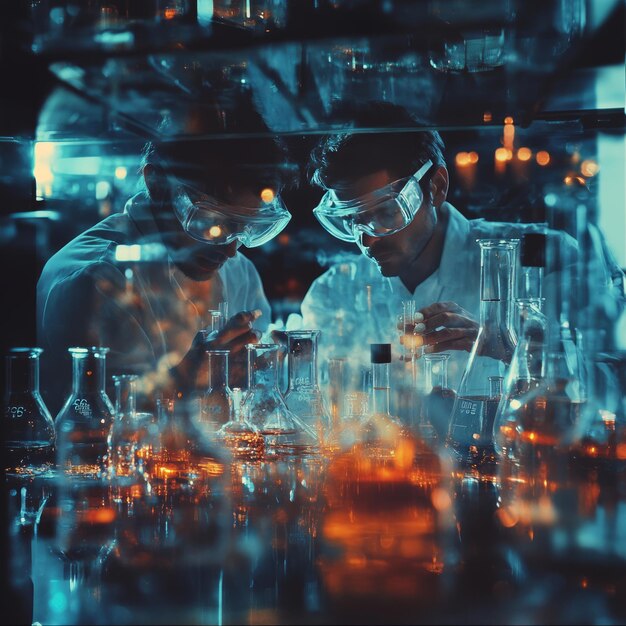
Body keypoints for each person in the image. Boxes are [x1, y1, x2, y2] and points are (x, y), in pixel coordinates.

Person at [300, 103, 625, 415]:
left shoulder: (547, 258)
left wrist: (509, 346)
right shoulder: (334, 294)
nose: (367, 238)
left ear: (437, 187)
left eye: (387, 211)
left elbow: (612, 392)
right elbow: (318, 413)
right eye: (352, 220)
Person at [37, 122, 297, 413]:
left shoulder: (239, 273)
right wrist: (186, 379)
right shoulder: (95, 280)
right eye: (213, 223)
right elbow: (96, 427)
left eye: (246, 226)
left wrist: (265, 370)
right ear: (157, 183)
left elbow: (255, 397)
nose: (230, 248)